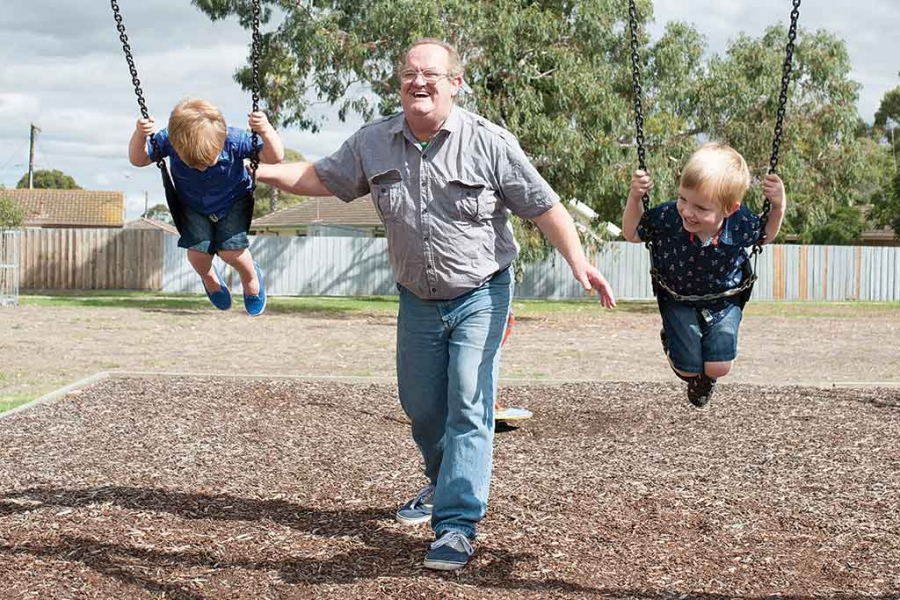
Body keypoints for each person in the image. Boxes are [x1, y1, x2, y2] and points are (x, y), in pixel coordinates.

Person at [254, 38, 615, 571]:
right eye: (408, 73)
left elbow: (545, 206)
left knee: (469, 396)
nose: (418, 81)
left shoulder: (489, 142)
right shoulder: (373, 142)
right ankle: (442, 482)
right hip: (418, 298)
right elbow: (319, 178)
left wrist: (578, 261)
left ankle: (456, 524)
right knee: (422, 407)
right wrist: (252, 172)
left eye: (430, 74)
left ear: (455, 84)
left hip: (482, 291)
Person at [621, 142, 787, 407]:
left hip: (724, 299)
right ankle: (678, 352)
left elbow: (765, 235)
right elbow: (631, 233)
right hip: (677, 296)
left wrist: (778, 206)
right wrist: (634, 198)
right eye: (683, 199)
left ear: (729, 209)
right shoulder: (668, 217)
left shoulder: (740, 222)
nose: (687, 211)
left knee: (720, 366)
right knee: (687, 369)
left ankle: (707, 379)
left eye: (701, 208)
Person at [128, 97, 285, 316]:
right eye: (193, 163)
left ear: (221, 142)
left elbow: (274, 157)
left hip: (233, 200)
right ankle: (209, 278)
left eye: (207, 161)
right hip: (193, 205)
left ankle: (250, 277)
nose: (201, 168)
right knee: (197, 257)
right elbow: (138, 159)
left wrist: (265, 129)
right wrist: (140, 133)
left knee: (232, 252)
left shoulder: (235, 140)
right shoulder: (169, 139)